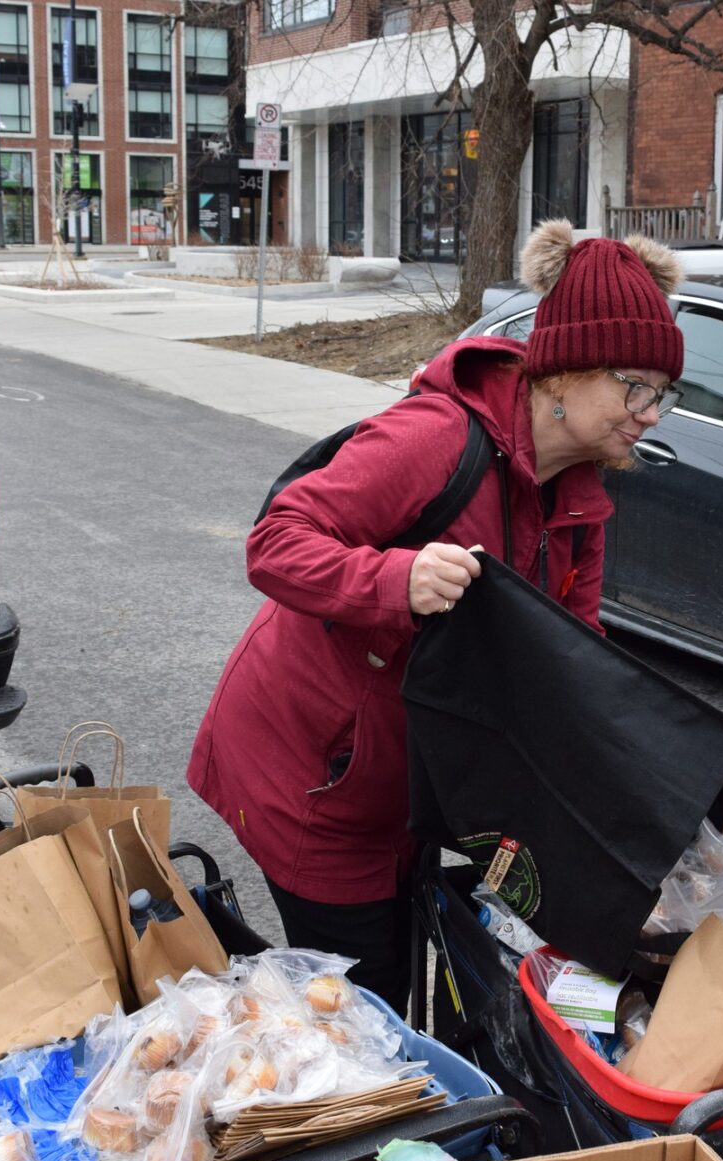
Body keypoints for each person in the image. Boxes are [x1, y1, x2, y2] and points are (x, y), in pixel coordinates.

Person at [188, 220, 686, 1012]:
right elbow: (275, 543)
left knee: (411, 994)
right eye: (635, 386)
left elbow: (573, 664)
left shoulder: (581, 502)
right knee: (365, 1009)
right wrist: (396, 577)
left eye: (662, 392)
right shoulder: (435, 439)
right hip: (319, 786)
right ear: (563, 369)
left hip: (414, 791)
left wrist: (661, 774)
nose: (651, 412)